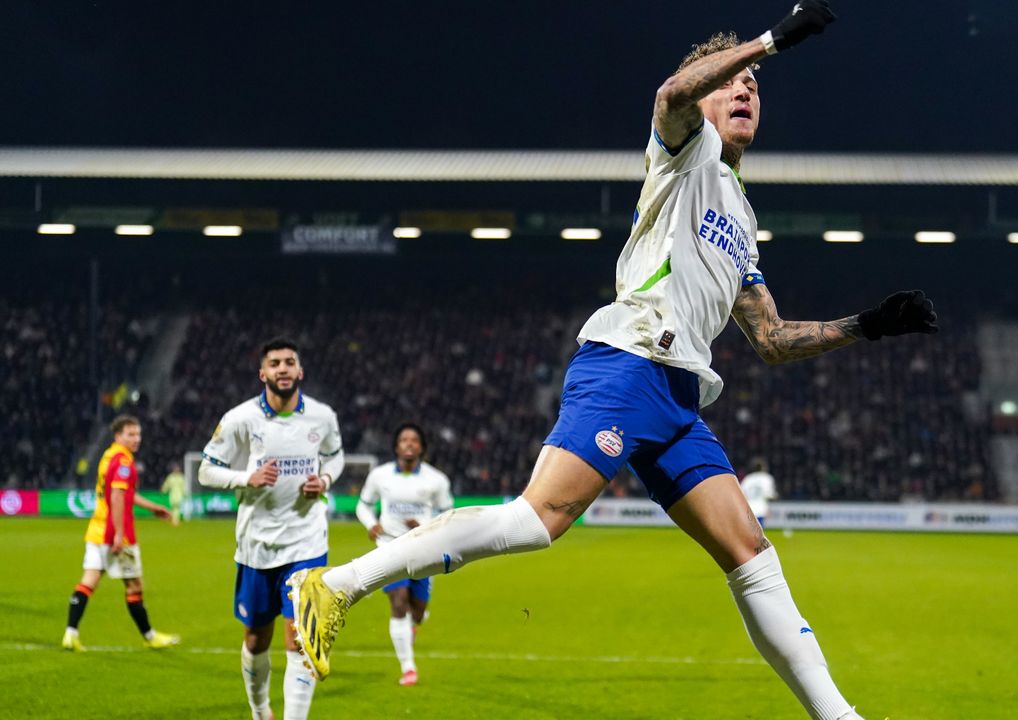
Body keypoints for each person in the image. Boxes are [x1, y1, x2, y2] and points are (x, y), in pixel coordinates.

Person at [291, 5, 938, 719]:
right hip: (628, 360)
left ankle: (838, 716)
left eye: (758, 83)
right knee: (537, 521)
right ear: (710, 93)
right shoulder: (684, 151)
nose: (749, 88)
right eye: (737, 82)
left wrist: (868, 325)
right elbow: (669, 95)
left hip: (679, 396)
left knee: (751, 551)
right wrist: (771, 40)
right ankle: (337, 584)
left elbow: (773, 339)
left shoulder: (743, 218)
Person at [198, 338, 344, 720]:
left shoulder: (322, 416)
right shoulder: (240, 419)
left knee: (302, 640)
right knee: (255, 639)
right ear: (263, 373)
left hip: (308, 543)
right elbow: (206, 469)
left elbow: (335, 456)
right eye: (275, 363)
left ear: (300, 371)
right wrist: (248, 476)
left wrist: (325, 480)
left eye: (290, 362)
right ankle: (260, 710)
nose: (283, 368)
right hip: (257, 546)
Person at [62, 414, 180, 651]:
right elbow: (117, 497)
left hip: (96, 529)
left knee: (88, 581)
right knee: (134, 586)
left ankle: (70, 633)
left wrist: (152, 507)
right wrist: (118, 535)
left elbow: (122, 493)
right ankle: (150, 637)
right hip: (116, 533)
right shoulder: (124, 463)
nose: (137, 439)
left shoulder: (109, 456)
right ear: (118, 436)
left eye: (138, 434)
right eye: (131, 434)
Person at [355, 422, 454, 686]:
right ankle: (408, 667)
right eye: (404, 440)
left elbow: (448, 514)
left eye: (414, 440)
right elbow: (363, 506)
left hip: (424, 548)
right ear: (396, 446)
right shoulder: (380, 476)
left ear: (421, 447)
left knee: (418, 611)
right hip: (389, 547)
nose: (409, 444)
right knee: (398, 601)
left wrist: (426, 526)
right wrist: (371, 524)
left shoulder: (436, 480)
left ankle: (414, 621)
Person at [741, 459, 779, 526]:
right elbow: (769, 494)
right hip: (760, 509)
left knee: (749, 532)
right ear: (763, 467)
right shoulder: (767, 478)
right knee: (759, 533)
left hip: (749, 509)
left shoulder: (748, 478)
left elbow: (742, 493)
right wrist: (775, 496)